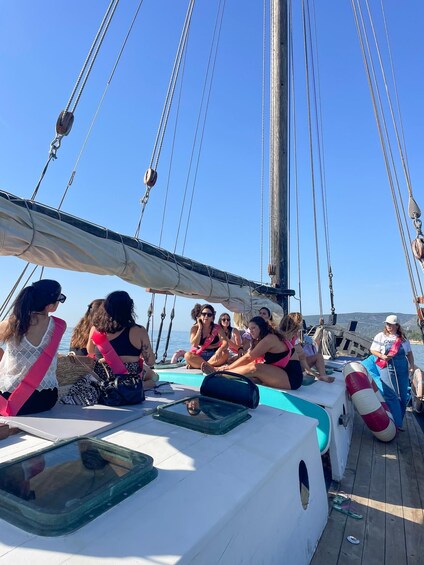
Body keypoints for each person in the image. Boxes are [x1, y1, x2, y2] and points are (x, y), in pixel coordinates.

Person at [0, 280, 67, 415]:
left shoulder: (9, 324)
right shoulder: (60, 325)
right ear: (49, 306)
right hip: (46, 399)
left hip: (10, 398)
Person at [203, 315, 303, 390]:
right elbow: (248, 355)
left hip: (291, 379)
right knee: (251, 373)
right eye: (249, 329)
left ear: (262, 327)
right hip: (281, 373)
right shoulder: (263, 338)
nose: (251, 331)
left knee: (256, 368)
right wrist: (228, 367)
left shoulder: (270, 339)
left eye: (253, 328)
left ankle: (220, 374)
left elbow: (248, 357)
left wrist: (227, 368)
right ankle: (223, 372)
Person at [86, 291, 158, 386]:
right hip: (129, 381)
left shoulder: (95, 329)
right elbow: (150, 362)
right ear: (130, 308)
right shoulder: (139, 331)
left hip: (103, 380)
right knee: (153, 380)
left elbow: (90, 352)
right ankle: (136, 388)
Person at [370, 314, 415, 429]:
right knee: (391, 394)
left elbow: (409, 353)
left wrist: (411, 366)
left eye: (391, 324)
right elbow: (373, 349)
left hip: (402, 367)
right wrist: (381, 356)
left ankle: (399, 418)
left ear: (397, 325)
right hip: (386, 366)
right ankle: (397, 423)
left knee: (403, 395)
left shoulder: (403, 339)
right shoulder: (381, 336)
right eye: (387, 324)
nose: (388, 326)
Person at [288, 312, 334, 383]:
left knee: (318, 356)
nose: (301, 324)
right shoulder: (287, 336)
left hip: (299, 364)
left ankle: (323, 375)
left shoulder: (296, 337)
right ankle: (315, 374)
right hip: (291, 365)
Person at [184, 304, 228, 369]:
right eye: (204, 314)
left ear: (212, 317)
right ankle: (211, 368)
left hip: (214, 355)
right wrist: (200, 328)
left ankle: (201, 365)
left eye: (209, 315)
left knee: (225, 353)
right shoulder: (195, 328)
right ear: (200, 316)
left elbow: (225, 343)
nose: (206, 316)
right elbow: (194, 344)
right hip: (199, 355)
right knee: (187, 355)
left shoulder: (217, 328)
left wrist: (220, 350)